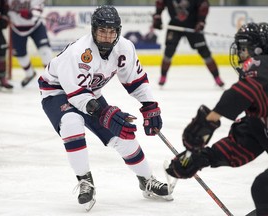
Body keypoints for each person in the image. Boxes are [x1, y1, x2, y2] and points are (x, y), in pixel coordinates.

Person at [38, 5, 173, 211]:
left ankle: (146, 180)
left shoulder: (125, 48)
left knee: (122, 133)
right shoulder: (80, 53)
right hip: (57, 93)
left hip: (89, 93)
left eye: (112, 32)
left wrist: (149, 105)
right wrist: (103, 112)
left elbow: (135, 80)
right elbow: (76, 95)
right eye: (102, 31)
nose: (107, 37)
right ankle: (85, 181)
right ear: (93, 30)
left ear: (118, 31)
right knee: (71, 122)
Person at [165, 22, 268, 216]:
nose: (240, 55)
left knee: (263, 188)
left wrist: (212, 118)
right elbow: (247, 142)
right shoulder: (261, 107)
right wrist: (202, 158)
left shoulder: (261, 71)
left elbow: (250, 87)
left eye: (243, 49)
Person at [152, 0, 224, 87]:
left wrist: (201, 21)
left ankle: (217, 77)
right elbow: (160, 3)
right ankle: (163, 76)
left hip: (193, 26)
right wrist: (157, 15)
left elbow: (204, 5)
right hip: (175, 25)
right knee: (169, 51)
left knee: (204, 52)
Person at [7, 0, 53, 87]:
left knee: (44, 50)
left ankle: (51, 77)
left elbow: (38, 7)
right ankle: (29, 74)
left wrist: (31, 14)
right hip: (16, 27)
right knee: (20, 54)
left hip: (36, 26)